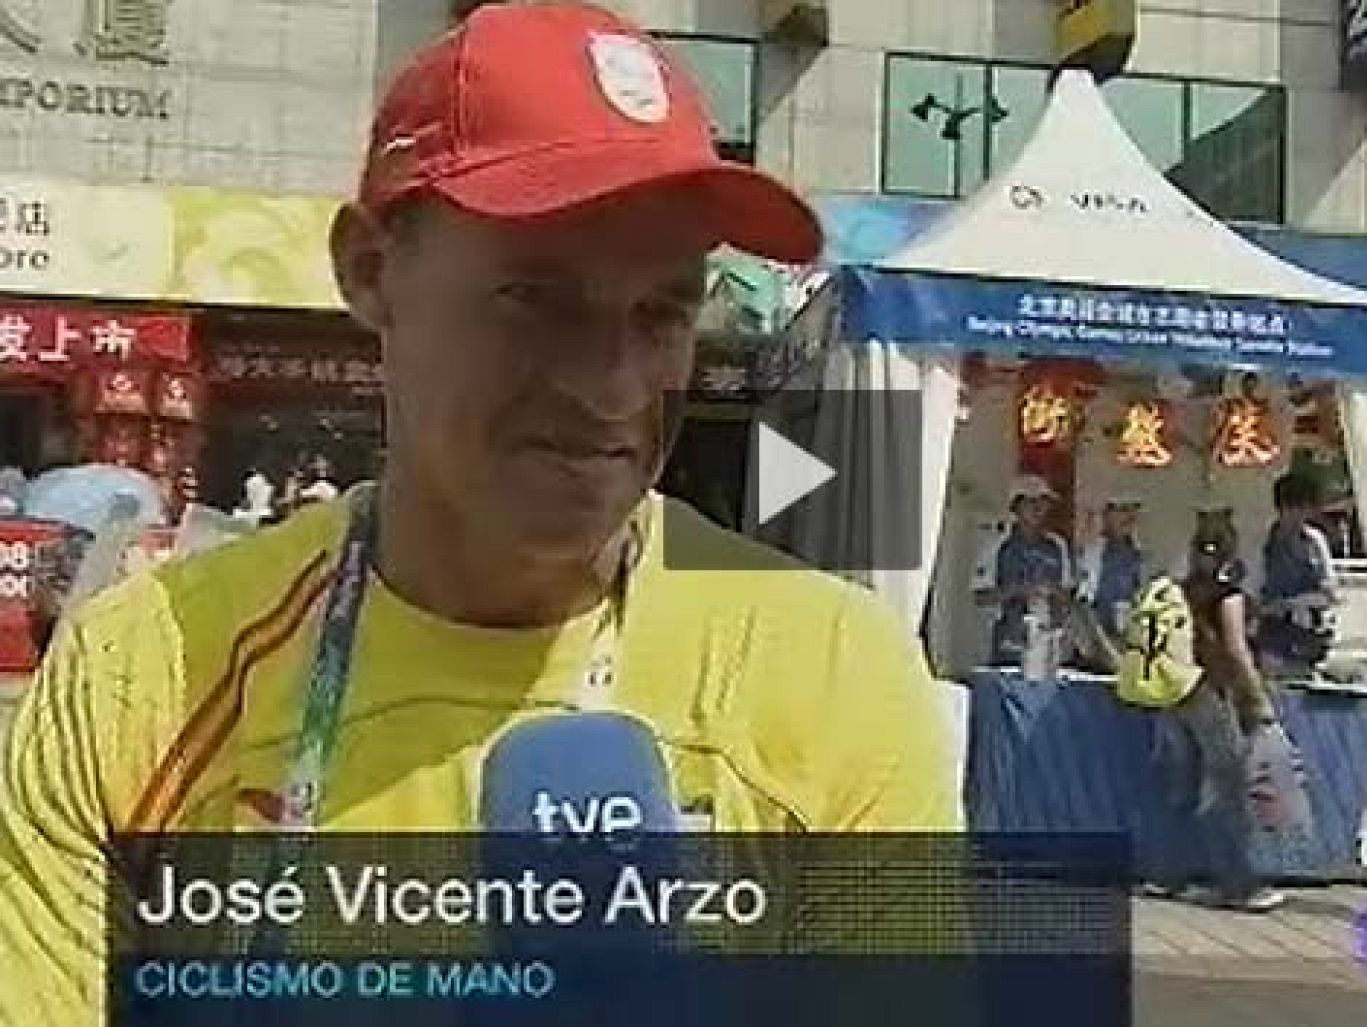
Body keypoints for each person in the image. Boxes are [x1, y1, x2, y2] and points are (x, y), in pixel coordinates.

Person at [0, 7, 958, 1024]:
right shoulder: (145, 674)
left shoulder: (833, 674)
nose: (612, 388)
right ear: (370, 271)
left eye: (662, 313)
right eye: (535, 299)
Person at [1148, 516, 1284, 913]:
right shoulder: (1228, 596)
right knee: (1224, 790)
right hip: (1211, 694)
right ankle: (1236, 884)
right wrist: (1257, 699)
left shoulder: (1179, 592)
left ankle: (1167, 876)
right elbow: (1238, 650)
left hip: (1175, 693)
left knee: (1180, 789)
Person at [972, 475, 1075, 667]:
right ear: (1016, 507)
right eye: (1031, 502)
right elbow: (980, 597)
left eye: (1044, 503)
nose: (1038, 509)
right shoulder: (997, 545)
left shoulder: (1057, 545)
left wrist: (1053, 593)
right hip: (1009, 641)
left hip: (1048, 639)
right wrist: (1018, 590)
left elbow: (1068, 595)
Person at [1257, 472, 1337, 677]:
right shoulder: (1265, 542)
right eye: (1294, 508)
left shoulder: (1314, 541)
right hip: (1272, 631)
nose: (1300, 515)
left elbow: (1329, 593)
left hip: (1307, 630)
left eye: (1305, 509)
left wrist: (1293, 603)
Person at [1078, 498, 1145, 637]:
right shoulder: (1092, 551)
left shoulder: (1138, 554)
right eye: (1122, 510)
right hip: (1097, 631)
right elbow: (1083, 599)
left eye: (1132, 511)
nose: (1128, 516)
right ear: (1107, 516)